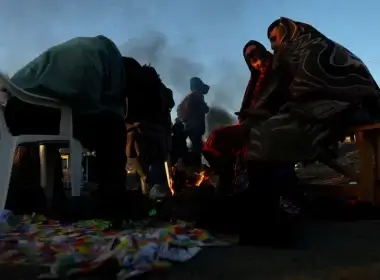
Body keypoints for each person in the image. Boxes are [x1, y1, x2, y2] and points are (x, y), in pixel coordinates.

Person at [2, 36, 141, 223]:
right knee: (113, 129)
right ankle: (111, 203)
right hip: (31, 109)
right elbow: (83, 98)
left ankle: (56, 199)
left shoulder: (91, 50)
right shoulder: (99, 58)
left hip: (14, 106)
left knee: (97, 127)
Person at [203, 41, 292, 189]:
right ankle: (231, 179)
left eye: (260, 57)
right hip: (252, 122)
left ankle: (235, 180)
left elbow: (284, 100)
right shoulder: (255, 80)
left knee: (220, 138)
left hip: (273, 122)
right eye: (253, 60)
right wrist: (247, 115)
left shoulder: (278, 72)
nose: (258, 63)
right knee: (215, 141)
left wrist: (261, 113)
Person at [124, 63, 167, 195]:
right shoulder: (159, 90)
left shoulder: (131, 89)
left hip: (140, 131)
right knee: (154, 167)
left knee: (144, 168)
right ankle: (153, 196)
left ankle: (148, 193)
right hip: (154, 132)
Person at [177, 77, 210, 168]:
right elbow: (205, 109)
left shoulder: (189, 97)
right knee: (196, 149)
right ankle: (195, 167)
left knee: (193, 147)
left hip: (188, 126)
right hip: (196, 127)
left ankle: (191, 165)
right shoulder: (197, 96)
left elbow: (180, 110)